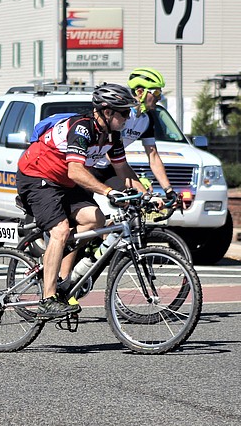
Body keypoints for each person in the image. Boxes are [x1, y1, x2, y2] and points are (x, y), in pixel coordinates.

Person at [16, 83, 146, 319]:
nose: (129, 118)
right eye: (125, 113)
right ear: (107, 112)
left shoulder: (112, 135)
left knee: (96, 219)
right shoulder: (82, 128)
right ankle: (47, 299)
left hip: (63, 182)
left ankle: (55, 259)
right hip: (37, 177)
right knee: (60, 229)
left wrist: (146, 194)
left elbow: (122, 169)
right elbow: (76, 171)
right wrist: (108, 192)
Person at [91, 67, 176, 202]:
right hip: (90, 167)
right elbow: (109, 152)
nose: (159, 97)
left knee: (133, 204)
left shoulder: (146, 119)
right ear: (140, 92)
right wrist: (136, 181)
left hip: (108, 169)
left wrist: (169, 190)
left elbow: (153, 156)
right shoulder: (119, 113)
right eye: (156, 92)